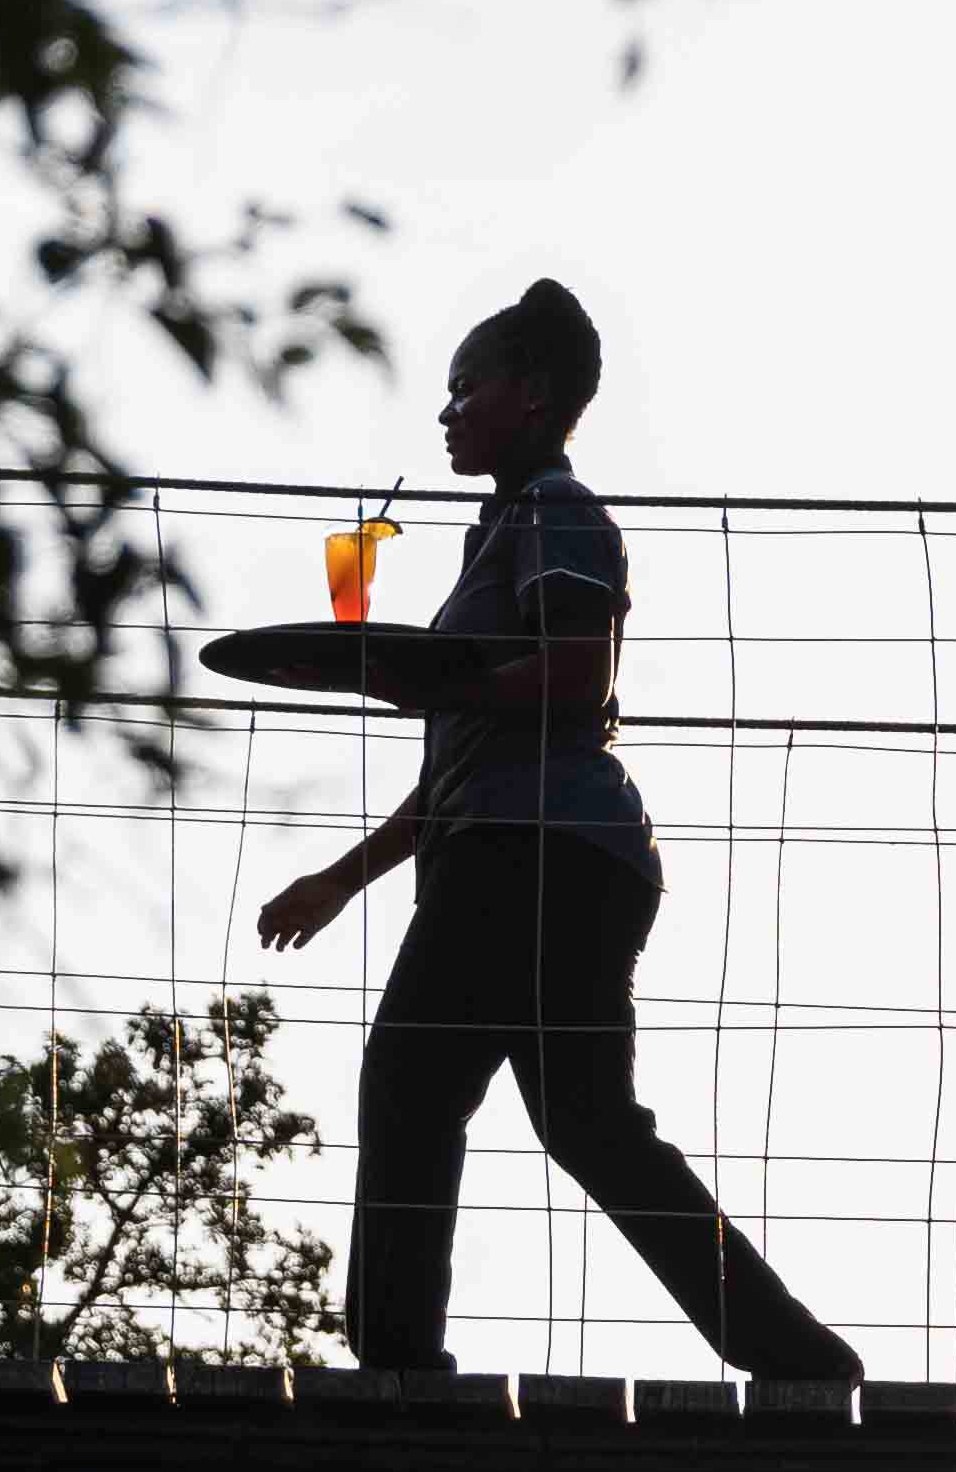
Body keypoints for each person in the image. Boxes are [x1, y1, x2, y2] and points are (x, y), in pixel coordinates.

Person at [256, 282, 864, 1387]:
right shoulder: (508, 531)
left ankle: (393, 1363)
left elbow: (576, 677)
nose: (445, 412)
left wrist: (417, 678)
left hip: (529, 859)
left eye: (463, 387)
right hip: (553, 852)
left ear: (527, 398)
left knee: (410, 1084)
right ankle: (796, 1359)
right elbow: (460, 770)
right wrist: (340, 880)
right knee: (588, 1124)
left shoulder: (554, 515)